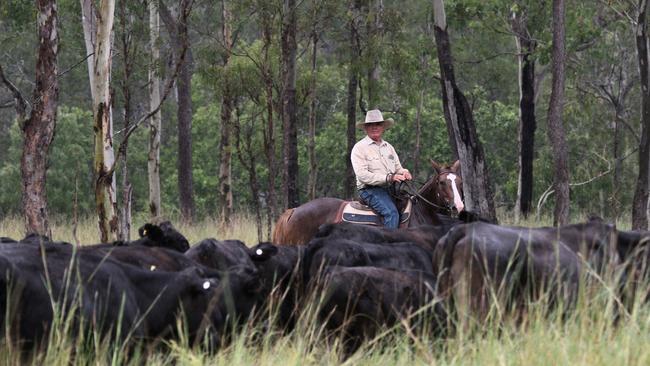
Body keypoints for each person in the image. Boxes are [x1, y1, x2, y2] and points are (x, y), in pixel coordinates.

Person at [351, 109, 412, 229]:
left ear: (383, 127)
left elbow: (398, 168)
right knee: (392, 213)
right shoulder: (359, 148)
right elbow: (362, 175)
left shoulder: (388, 147)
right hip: (370, 190)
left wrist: (405, 172)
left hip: (390, 190)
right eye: (370, 125)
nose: (375, 127)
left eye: (378, 124)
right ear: (366, 128)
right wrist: (389, 178)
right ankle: (388, 245)